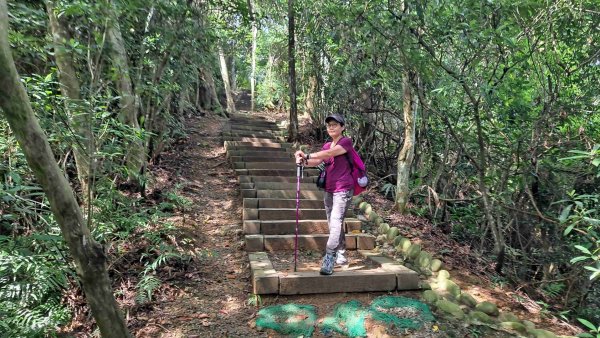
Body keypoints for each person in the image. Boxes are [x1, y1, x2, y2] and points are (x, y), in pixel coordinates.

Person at [295, 114, 355, 275]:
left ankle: (330, 257)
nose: (331, 127)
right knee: (333, 222)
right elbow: (317, 161)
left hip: (343, 188)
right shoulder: (327, 145)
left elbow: (329, 155)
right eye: (329, 125)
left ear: (342, 127)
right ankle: (341, 253)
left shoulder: (345, 142)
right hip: (329, 188)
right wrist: (303, 160)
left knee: (335, 221)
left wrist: (307, 155)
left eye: (335, 124)